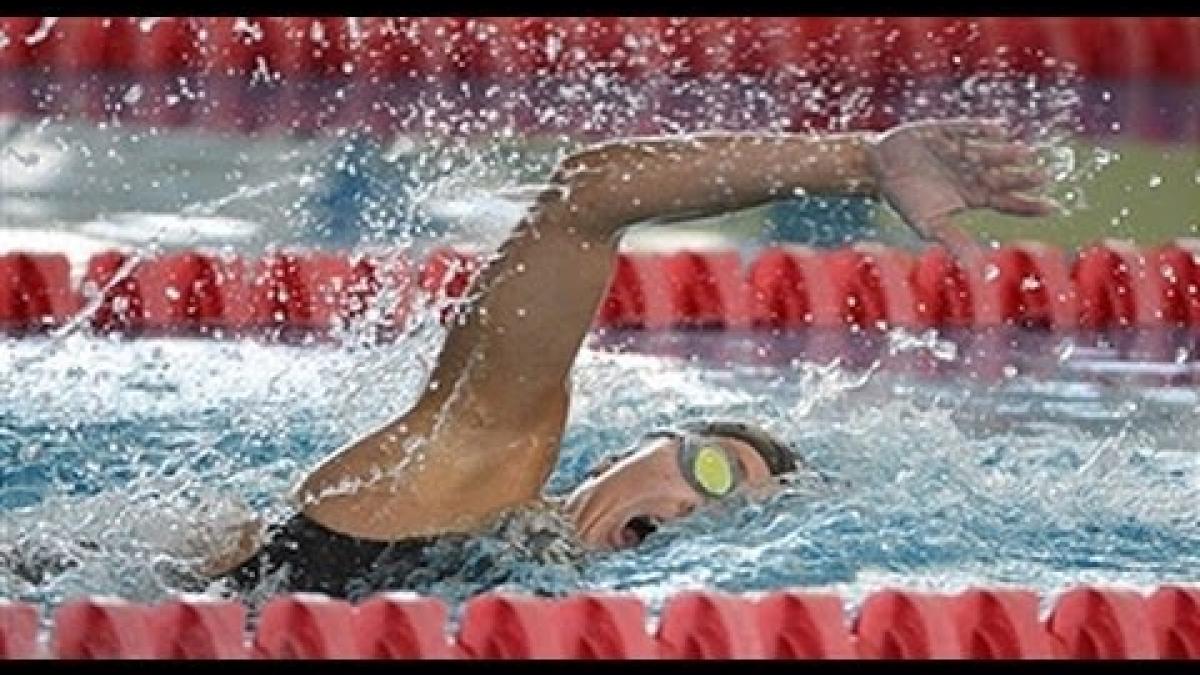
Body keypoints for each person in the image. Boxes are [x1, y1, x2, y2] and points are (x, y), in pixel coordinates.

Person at [20, 120, 1055, 598]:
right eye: (707, 468)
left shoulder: (562, 602)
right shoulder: (481, 468)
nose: (707, 508)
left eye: (739, 515)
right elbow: (588, 195)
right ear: (624, 456)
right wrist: (859, 160)